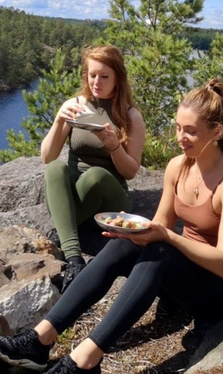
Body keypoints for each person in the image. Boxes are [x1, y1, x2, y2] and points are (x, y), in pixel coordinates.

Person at [0, 79, 223, 374]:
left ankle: (83, 364)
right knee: (124, 246)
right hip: (184, 277)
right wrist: (135, 232)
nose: (181, 137)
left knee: (161, 250)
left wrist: (165, 237)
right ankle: (39, 340)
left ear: (217, 132)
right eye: (178, 128)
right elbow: (161, 225)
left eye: (191, 131)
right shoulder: (178, 166)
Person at [39, 44, 145, 293]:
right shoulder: (77, 106)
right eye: (92, 74)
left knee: (96, 175)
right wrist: (59, 120)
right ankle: (75, 260)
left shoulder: (130, 116)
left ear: (118, 77)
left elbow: (130, 171)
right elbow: (47, 156)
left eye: (104, 76)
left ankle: (65, 233)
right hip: (76, 196)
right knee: (55, 169)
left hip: (111, 196)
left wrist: (114, 146)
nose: (97, 81)